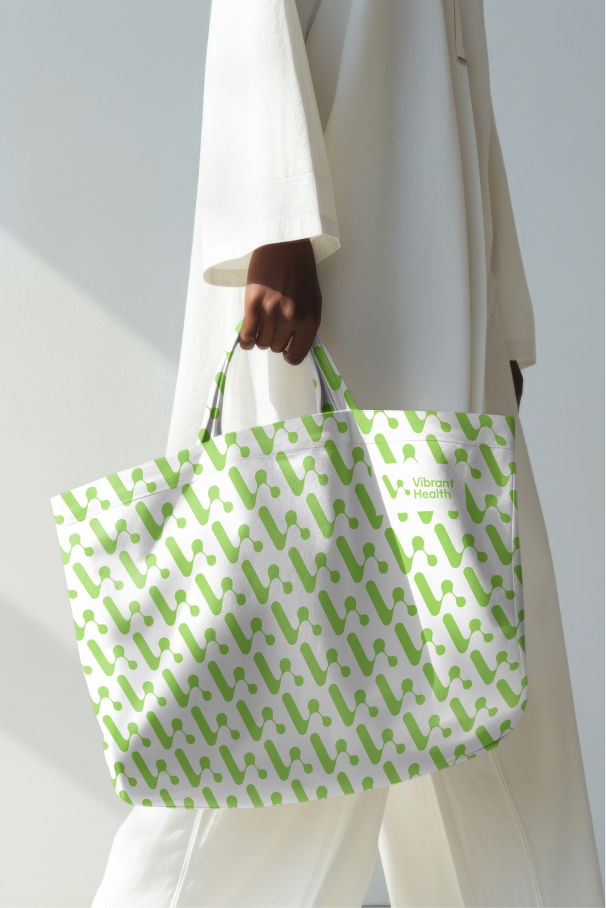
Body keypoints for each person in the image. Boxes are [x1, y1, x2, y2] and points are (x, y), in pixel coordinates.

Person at [92, 2, 604, 906]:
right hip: (336, 262)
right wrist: (274, 221)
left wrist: (499, 309)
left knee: (500, 687)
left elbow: (458, 54)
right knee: (285, 693)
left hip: (444, 278)